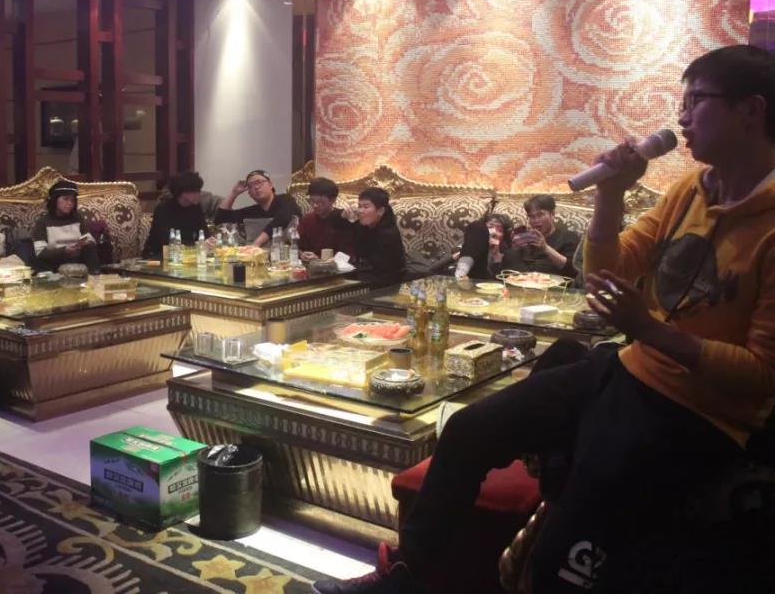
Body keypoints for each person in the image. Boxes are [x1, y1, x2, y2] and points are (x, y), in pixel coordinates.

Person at [313, 44, 775, 594]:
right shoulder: (689, 192)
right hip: (627, 368)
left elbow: (762, 376)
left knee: (564, 554)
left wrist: (650, 329)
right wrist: (610, 193)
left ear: (751, 110)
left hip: (699, 414)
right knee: (468, 429)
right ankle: (408, 577)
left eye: (697, 101)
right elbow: (603, 272)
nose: (681, 117)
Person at [215, 169, 302, 246]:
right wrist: (234, 193)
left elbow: (282, 219)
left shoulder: (286, 199)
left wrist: (256, 243)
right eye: (251, 185)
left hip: (287, 254)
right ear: (249, 193)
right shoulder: (251, 211)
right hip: (256, 256)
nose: (256, 187)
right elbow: (221, 219)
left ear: (271, 184)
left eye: (259, 182)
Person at [32, 179, 100, 274]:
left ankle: (96, 276)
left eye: (72, 200)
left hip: (77, 260)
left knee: (91, 250)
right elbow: (40, 253)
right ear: (55, 200)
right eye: (65, 199)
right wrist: (65, 250)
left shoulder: (77, 218)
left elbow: (90, 240)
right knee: (41, 263)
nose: (70, 203)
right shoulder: (43, 221)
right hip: (54, 262)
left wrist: (84, 243)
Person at [501, 194, 579, 276]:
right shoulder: (527, 239)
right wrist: (514, 250)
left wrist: (545, 248)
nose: (536, 220)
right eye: (531, 216)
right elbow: (507, 271)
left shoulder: (568, 237)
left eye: (540, 215)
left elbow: (574, 270)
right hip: (523, 281)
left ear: (552, 214)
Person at [142, 171, 210, 258]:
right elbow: (167, 240)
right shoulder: (163, 209)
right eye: (195, 191)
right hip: (158, 254)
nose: (199, 194)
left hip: (186, 254)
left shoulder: (195, 208)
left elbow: (204, 233)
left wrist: (209, 242)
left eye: (199, 190)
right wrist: (195, 246)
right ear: (182, 192)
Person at [351, 187, 406, 280]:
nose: (360, 211)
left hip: (387, 281)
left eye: (365, 207)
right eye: (359, 206)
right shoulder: (363, 225)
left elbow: (381, 268)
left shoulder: (388, 234)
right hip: (366, 275)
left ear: (380, 211)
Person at [297, 177, 356, 259]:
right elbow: (298, 245)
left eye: (320, 203)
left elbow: (347, 254)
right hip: (308, 263)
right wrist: (300, 253)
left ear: (333, 200)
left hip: (334, 265)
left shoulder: (342, 219)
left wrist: (319, 259)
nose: (315, 206)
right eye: (312, 201)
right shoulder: (307, 219)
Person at [454, 212, 512, 280]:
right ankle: (460, 275)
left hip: (483, 283)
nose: (494, 232)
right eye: (490, 227)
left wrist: (496, 256)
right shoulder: (475, 235)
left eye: (500, 230)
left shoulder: (506, 252)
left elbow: (501, 280)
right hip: (453, 276)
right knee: (477, 226)